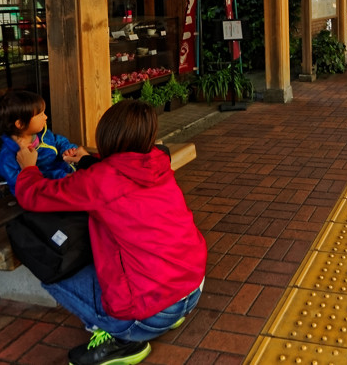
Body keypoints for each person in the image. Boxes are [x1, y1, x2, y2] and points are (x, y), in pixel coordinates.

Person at [14, 100, 206, 365]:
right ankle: (164, 316)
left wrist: (28, 168)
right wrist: (88, 161)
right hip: (192, 287)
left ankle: (125, 341)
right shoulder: (158, 162)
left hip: (151, 315)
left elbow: (35, 196)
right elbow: (120, 175)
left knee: (50, 268)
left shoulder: (101, 179)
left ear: (107, 135)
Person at [0, 90, 89, 194]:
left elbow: (58, 141)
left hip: (68, 175)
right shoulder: (7, 157)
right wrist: (59, 176)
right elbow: (22, 184)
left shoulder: (42, 134)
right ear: (20, 124)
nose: (46, 117)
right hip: (47, 191)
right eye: (40, 115)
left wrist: (67, 150)